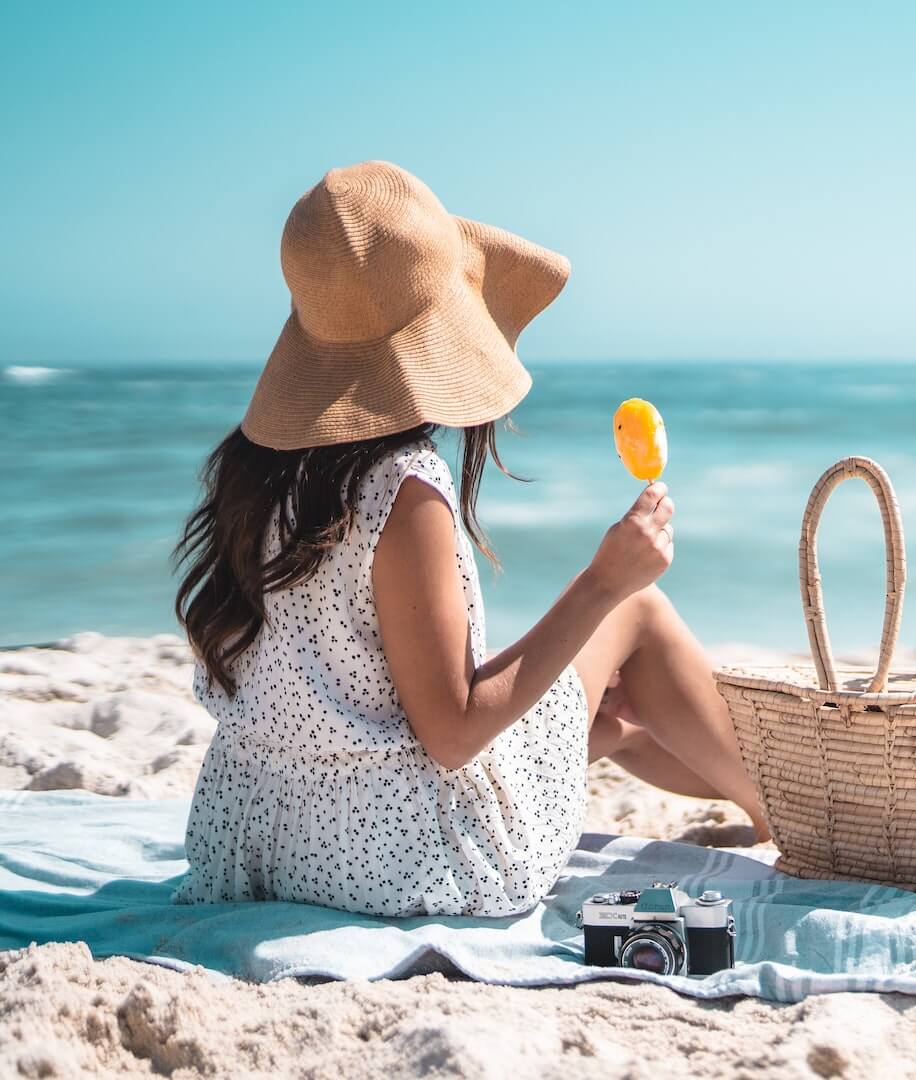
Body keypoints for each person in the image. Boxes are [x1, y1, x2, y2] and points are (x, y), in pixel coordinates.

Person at [171, 160, 769, 917]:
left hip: (251, 843)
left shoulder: (252, 467)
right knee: (634, 613)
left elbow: (362, 692)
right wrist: (605, 581)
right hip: (392, 858)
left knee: (610, 715)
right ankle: (782, 814)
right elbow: (451, 738)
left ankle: (621, 742)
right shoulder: (400, 486)